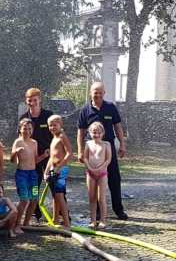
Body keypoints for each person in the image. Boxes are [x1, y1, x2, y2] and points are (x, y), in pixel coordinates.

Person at [77, 82, 128, 220]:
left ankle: (119, 210)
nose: (97, 94)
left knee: (114, 179)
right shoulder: (85, 110)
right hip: (92, 150)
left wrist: (122, 144)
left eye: (100, 92)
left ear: (104, 93)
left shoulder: (111, 107)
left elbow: (118, 127)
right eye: (95, 92)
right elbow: (81, 133)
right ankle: (97, 213)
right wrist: (80, 151)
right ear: (90, 93)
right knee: (94, 179)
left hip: (108, 148)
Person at [18, 87, 54, 223]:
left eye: (35, 100)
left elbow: (56, 135)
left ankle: (62, 213)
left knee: (54, 184)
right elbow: (20, 138)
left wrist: (54, 152)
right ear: (26, 101)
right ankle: (35, 212)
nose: (32, 103)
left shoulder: (48, 115)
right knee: (34, 185)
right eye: (29, 100)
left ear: (40, 100)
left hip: (48, 156)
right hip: (32, 158)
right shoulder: (24, 118)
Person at [83, 121, 112, 229]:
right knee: (92, 198)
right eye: (94, 132)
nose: (96, 135)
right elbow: (85, 158)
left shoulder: (106, 144)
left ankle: (103, 220)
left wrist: (100, 168)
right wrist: (90, 168)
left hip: (102, 173)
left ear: (103, 133)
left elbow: (108, 159)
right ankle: (93, 220)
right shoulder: (88, 144)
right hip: (90, 173)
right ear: (90, 133)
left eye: (99, 132)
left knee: (101, 198)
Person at [45, 115, 72, 229]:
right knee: (55, 196)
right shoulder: (54, 138)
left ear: (61, 125)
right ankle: (55, 220)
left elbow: (70, 153)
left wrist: (59, 167)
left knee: (60, 196)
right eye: (50, 125)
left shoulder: (62, 136)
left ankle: (66, 223)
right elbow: (51, 157)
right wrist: (46, 171)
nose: (52, 127)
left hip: (61, 170)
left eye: (55, 125)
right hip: (53, 170)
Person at [10, 118, 37, 234]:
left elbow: (34, 160)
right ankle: (17, 224)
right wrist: (16, 152)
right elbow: (12, 160)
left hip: (33, 175)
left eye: (29, 129)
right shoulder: (18, 142)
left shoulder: (34, 142)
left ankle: (26, 223)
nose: (27, 131)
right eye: (25, 128)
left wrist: (45, 156)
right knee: (24, 200)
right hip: (22, 174)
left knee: (34, 199)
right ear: (20, 130)